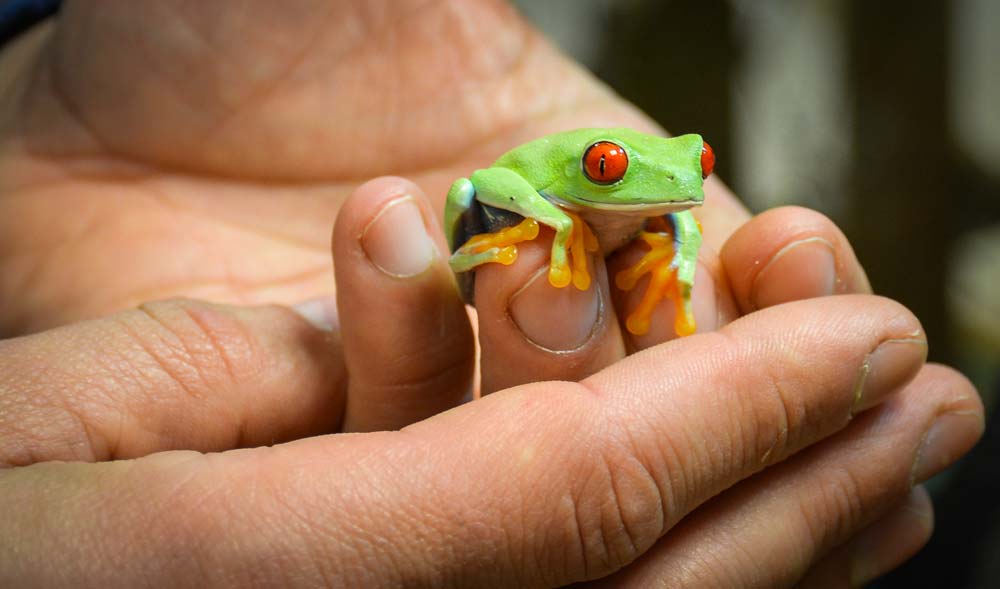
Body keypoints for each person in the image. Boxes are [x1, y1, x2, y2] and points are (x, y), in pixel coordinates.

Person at [0, 1, 984, 586]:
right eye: (616, 162)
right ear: (596, 161)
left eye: (698, 163)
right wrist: (555, 219)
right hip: (523, 205)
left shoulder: (664, 185)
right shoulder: (562, 172)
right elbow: (481, 188)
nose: (673, 179)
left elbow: (672, 199)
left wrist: (670, 249)